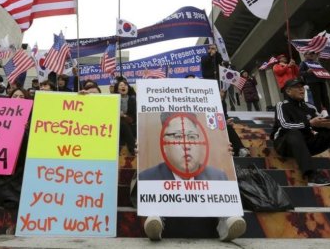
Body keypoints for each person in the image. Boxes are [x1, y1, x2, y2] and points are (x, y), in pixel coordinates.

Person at [139, 112, 246, 241]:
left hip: (208, 225)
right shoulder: (148, 176)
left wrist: (226, 149)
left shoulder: (217, 176)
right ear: (164, 143)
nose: (186, 144)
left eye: (192, 136)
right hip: (169, 226)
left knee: (224, 203)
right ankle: (156, 222)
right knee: (153, 204)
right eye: (178, 136)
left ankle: (226, 223)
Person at [271, 78, 330, 186]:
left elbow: (318, 123)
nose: (302, 90)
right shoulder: (281, 105)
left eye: (302, 87)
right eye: (297, 87)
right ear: (288, 91)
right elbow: (284, 125)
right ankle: (311, 176)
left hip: (305, 145)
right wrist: (309, 123)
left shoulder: (310, 107)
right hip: (284, 144)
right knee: (294, 132)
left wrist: (325, 124)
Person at [299, 51, 330, 117]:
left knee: (325, 98)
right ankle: (318, 114)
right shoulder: (303, 63)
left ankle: (328, 112)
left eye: (313, 53)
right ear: (305, 55)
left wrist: (326, 74)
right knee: (317, 99)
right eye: (309, 53)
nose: (311, 55)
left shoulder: (317, 62)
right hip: (312, 82)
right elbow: (301, 73)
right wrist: (307, 72)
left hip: (321, 81)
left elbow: (323, 71)